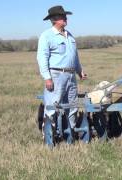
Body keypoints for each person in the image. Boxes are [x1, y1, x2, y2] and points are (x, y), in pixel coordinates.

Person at [37, 5, 87, 146]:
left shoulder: (70, 36)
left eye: (65, 16)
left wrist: (80, 71)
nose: (65, 18)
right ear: (54, 19)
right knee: (53, 106)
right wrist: (47, 78)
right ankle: (49, 137)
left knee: (72, 106)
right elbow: (42, 58)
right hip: (56, 75)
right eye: (62, 16)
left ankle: (70, 134)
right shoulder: (46, 36)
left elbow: (74, 57)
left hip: (71, 76)